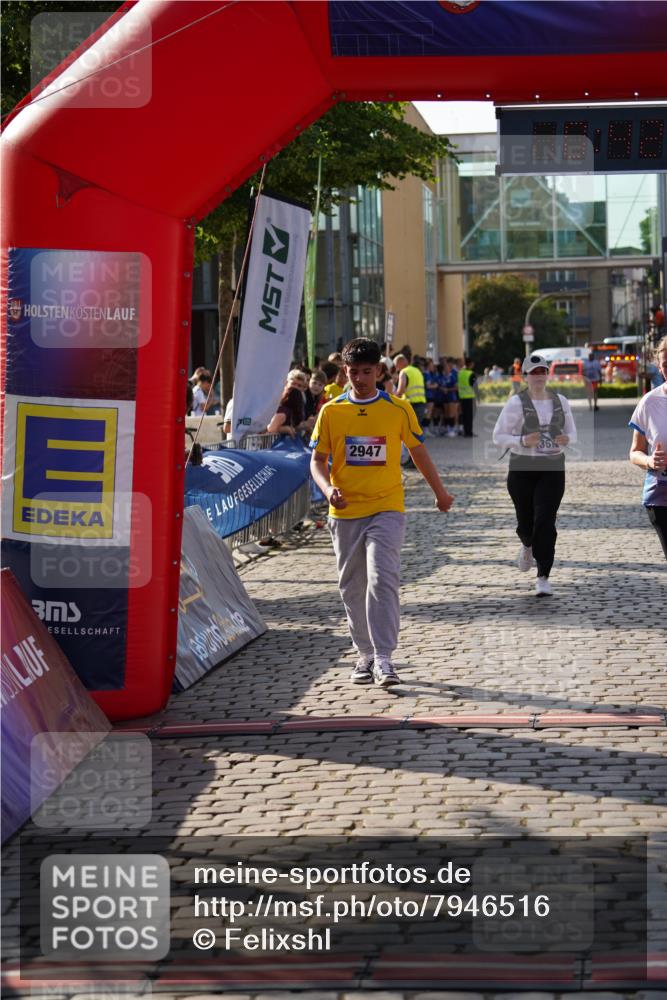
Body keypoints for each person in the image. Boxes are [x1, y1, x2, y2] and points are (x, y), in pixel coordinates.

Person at [310, 338, 454, 687]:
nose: (360, 378)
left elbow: (418, 452)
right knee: (352, 585)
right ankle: (365, 654)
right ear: (344, 372)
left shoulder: (398, 408)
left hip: (387, 506)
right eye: (353, 372)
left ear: (379, 371)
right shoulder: (331, 411)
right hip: (344, 512)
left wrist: (440, 492)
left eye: (366, 372)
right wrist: (329, 490)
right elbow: (317, 460)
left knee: (382, 577)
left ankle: (385, 657)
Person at [492, 352, 577, 597]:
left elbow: (573, 434)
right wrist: (521, 440)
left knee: (545, 521)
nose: (539, 377)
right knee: (526, 521)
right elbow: (498, 436)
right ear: (525, 376)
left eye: (543, 372)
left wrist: (566, 439)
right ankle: (527, 544)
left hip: (552, 469)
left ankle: (543, 576)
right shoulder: (516, 403)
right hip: (522, 469)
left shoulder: (560, 400)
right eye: (534, 372)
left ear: (547, 375)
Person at [629, 335, 667, 560]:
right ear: (660, 368)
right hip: (660, 494)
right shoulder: (649, 402)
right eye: (666, 365)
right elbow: (635, 452)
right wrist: (650, 461)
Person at [457, 357, 477, 437]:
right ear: (471, 364)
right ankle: (469, 432)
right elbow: (474, 386)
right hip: (469, 397)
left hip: (461, 397)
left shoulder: (460, 372)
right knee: (469, 416)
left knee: (464, 415)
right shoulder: (471, 374)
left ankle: (465, 431)